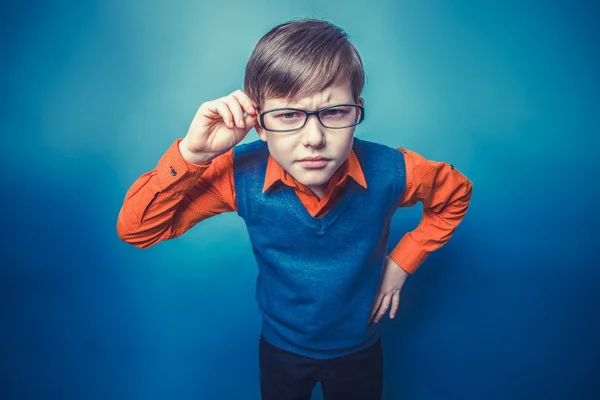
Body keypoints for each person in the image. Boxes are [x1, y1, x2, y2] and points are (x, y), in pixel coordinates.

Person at [117, 18, 473, 400]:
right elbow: (139, 230)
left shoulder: (393, 171)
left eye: (335, 112)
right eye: (288, 115)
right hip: (281, 348)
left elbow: (455, 194)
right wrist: (193, 153)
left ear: (358, 111)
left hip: (360, 349)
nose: (314, 139)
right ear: (259, 124)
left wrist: (402, 261)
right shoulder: (239, 177)